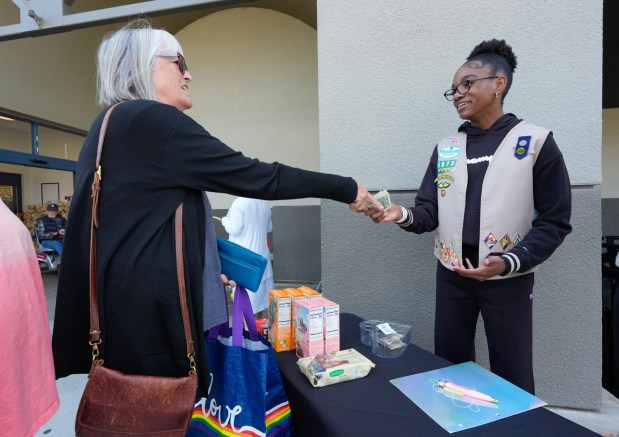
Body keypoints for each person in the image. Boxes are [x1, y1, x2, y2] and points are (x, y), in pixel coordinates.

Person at [51, 19, 381, 398]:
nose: (189, 75)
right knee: (164, 415)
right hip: (153, 329)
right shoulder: (153, 121)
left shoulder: (107, 125)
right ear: (144, 65)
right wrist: (346, 188)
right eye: (179, 62)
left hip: (120, 317)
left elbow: (140, 225)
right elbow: (261, 177)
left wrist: (202, 268)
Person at [367, 39, 572, 393]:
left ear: (499, 84)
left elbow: (555, 220)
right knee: (449, 364)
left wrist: (509, 261)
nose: (458, 93)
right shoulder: (446, 148)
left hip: (508, 276)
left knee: (512, 370)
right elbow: (428, 213)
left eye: (467, 84)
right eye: (453, 89)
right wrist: (400, 214)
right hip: (451, 274)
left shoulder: (535, 142)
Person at [0, 199, 59, 436]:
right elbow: (44, 235)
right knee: (58, 242)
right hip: (19, 380)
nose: (54, 212)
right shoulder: (16, 225)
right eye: (53, 209)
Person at [221, 197, 274, 316]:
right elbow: (269, 228)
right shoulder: (264, 202)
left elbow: (233, 228)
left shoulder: (239, 202)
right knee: (259, 305)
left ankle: (248, 333)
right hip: (262, 259)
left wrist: (224, 220)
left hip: (245, 262)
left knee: (246, 307)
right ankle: (255, 332)